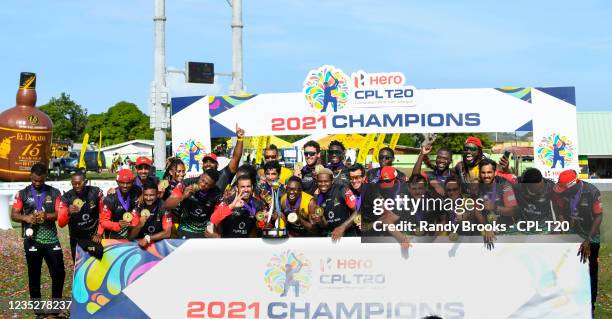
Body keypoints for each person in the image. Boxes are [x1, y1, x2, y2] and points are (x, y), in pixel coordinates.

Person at [11, 163, 65, 317]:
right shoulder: (22, 193)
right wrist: (25, 217)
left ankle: (55, 310)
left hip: (51, 239)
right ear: (30, 177)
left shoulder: (55, 192)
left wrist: (47, 216)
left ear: (45, 177)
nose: (38, 183)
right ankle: (39, 312)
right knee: (34, 275)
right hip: (32, 240)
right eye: (35, 180)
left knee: (59, 273)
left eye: (40, 181)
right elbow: (14, 215)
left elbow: (58, 213)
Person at [552, 169, 603, 316]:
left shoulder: (592, 192)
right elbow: (560, 209)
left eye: (563, 188)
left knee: (589, 273)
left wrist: (588, 240)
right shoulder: (561, 192)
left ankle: (590, 306)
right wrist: (561, 221)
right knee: (567, 270)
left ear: (573, 185)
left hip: (590, 237)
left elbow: (599, 217)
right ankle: (569, 304)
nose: (561, 191)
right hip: (570, 236)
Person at [58, 170, 104, 260]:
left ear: (85, 181)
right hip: (77, 238)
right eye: (74, 183)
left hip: (94, 236)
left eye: (80, 183)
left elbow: (103, 214)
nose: (77, 186)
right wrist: (67, 212)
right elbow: (61, 223)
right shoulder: (66, 197)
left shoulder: (95, 192)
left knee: (97, 260)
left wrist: (99, 233)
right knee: (79, 265)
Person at [164, 169, 222, 239]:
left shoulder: (217, 193)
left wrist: (216, 235)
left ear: (212, 186)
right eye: (202, 180)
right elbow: (167, 205)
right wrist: (183, 196)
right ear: (201, 175)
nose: (203, 184)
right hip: (185, 229)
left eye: (207, 184)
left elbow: (219, 217)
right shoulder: (186, 183)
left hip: (204, 232)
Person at [186, 124, 245, 191]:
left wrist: (240, 139)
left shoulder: (224, 175)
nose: (208, 164)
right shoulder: (192, 181)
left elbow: (236, 158)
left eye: (212, 162)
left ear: (217, 165)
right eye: (205, 162)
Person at [474, 159, 518, 246]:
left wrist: (495, 207)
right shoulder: (478, 187)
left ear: (495, 172)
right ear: (479, 173)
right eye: (483, 173)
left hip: (507, 229)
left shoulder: (505, 186)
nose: (486, 176)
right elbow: (477, 212)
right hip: (488, 228)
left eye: (489, 172)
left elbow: (513, 211)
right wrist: (486, 226)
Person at [315, 167, 358, 240]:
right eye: (320, 181)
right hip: (331, 235)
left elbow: (358, 211)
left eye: (326, 181)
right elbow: (325, 225)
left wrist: (342, 227)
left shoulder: (343, 190)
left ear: (332, 181)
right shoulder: (317, 196)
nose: (323, 184)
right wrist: (320, 219)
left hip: (347, 233)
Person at [129, 180, 173, 247]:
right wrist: (139, 225)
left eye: (152, 195)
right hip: (140, 245)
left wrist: (148, 238)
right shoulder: (138, 207)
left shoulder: (164, 206)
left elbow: (167, 233)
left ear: (157, 194)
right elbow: (131, 237)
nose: (148, 198)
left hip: (159, 246)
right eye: (146, 195)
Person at [99, 169, 141, 239]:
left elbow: (136, 213)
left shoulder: (137, 191)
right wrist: (118, 225)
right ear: (117, 182)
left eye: (128, 183)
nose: (125, 186)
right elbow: (103, 222)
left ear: (133, 182)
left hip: (131, 235)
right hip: (114, 237)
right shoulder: (110, 198)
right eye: (122, 182)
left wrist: (133, 224)